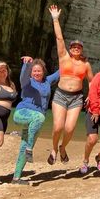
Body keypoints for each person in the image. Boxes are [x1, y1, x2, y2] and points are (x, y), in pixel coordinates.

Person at [47, 5, 94, 164]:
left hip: (76, 98)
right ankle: (54, 148)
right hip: (60, 94)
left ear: (81, 50)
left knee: (69, 128)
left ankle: (62, 147)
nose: (75, 49)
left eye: (78, 47)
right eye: (73, 46)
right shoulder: (63, 57)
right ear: (70, 48)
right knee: (58, 126)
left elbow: (92, 82)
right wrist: (55, 19)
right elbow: (59, 38)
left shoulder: (86, 64)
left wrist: (91, 98)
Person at [12, 56, 59, 185]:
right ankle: (29, 148)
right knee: (40, 117)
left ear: (43, 71)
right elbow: (23, 76)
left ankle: (16, 178)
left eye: (39, 71)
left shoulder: (47, 81)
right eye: (34, 71)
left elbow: (60, 72)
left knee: (24, 147)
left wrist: (71, 60)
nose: (37, 73)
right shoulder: (27, 82)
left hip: (35, 122)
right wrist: (27, 64)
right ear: (31, 73)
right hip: (22, 114)